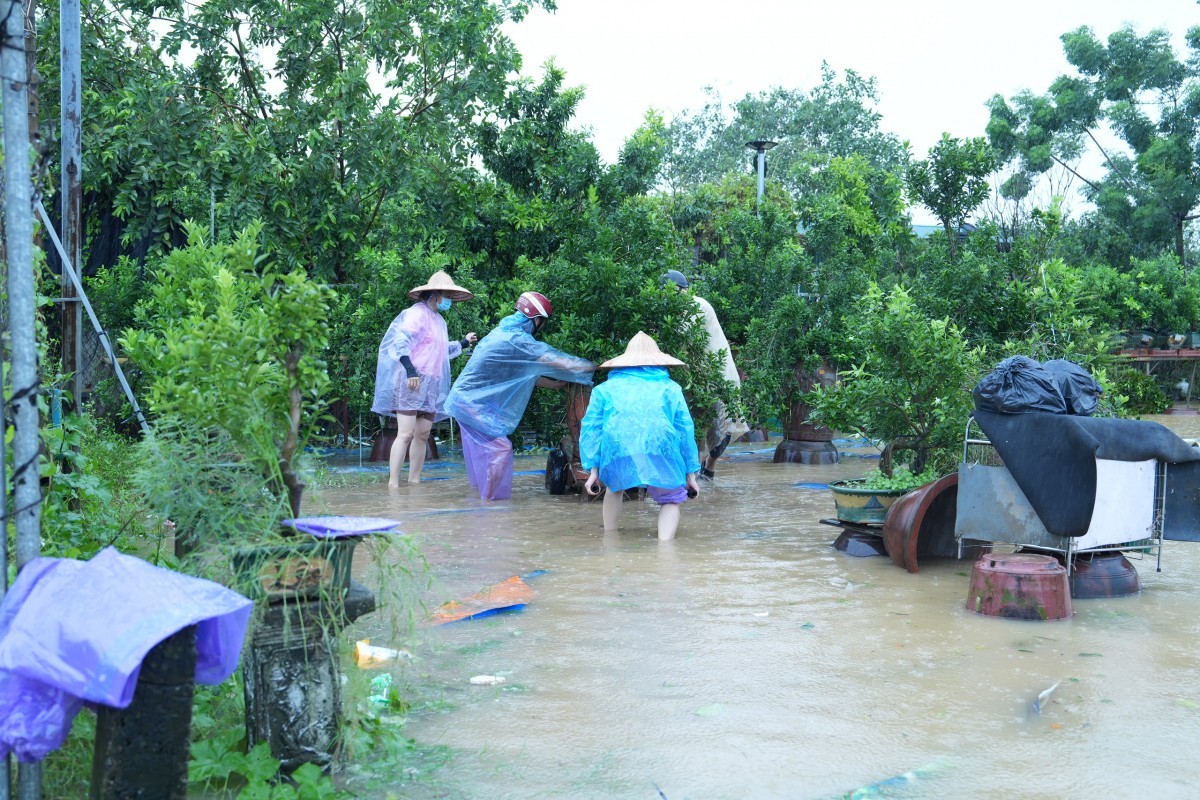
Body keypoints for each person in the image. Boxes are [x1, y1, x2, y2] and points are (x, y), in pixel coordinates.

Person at [444, 291, 595, 500]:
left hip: (463, 402)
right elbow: (563, 362)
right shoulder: (517, 340)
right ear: (537, 320)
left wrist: (556, 384)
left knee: (487, 453)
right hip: (470, 404)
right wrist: (594, 366)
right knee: (501, 450)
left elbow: (523, 376)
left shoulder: (503, 332)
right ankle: (488, 504)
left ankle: (481, 498)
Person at [580, 331, 701, 541]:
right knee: (671, 499)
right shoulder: (671, 389)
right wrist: (690, 473)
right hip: (660, 449)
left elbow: (591, 429)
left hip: (619, 450)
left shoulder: (603, 390)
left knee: (614, 488)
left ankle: (610, 544)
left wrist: (593, 470)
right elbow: (685, 429)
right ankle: (666, 552)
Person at [371, 270, 477, 487]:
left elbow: (440, 350)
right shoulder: (416, 313)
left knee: (423, 433)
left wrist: (464, 343)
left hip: (432, 382)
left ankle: (414, 481)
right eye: (445, 294)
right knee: (406, 432)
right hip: (412, 380)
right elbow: (401, 342)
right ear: (434, 294)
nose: (448, 300)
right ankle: (393, 484)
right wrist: (410, 371)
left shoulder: (439, 321)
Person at [662, 269, 750, 479]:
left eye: (676, 292)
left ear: (685, 290)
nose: (672, 297)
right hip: (695, 379)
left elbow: (683, 340)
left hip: (717, 377)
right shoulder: (669, 311)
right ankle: (695, 472)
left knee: (723, 425)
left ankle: (709, 467)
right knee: (695, 426)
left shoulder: (698, 305)